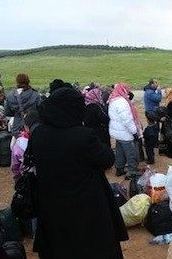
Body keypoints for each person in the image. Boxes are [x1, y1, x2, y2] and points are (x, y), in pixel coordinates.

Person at [29, 88, 128, 258]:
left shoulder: (38, 134)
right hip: (86, 207)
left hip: (53, 207)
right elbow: (107, 159)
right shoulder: (82, 136)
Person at [108, 82, 143, 179]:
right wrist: (134, 132)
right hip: (125, 133)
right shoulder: (122, 102)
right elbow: (127, 120)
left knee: (120, 151)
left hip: (118, 132)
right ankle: (132, 171)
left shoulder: (113, 99)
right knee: (131, 152)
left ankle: (119, 168)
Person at [158, 88, 172, 158]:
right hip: (168, 122)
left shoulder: (171, 102)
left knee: (170, 137)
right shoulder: (169, 100)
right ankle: (166, 151)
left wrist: (165, 114)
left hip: (170, 122)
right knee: (166, 136)